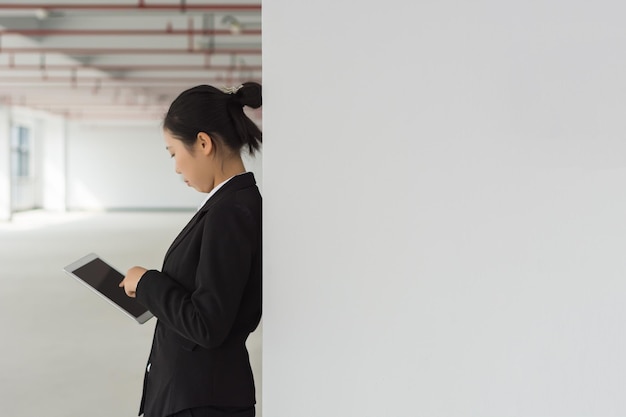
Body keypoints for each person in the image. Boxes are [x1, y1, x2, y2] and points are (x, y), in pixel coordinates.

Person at [119, 82, 263, 417]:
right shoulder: (229, 205)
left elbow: (207, 324)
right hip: (198, 394)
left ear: (203, 142)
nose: (176, 167)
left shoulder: (231, 211)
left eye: (173, 153)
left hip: (202, 400)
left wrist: (147, 283)